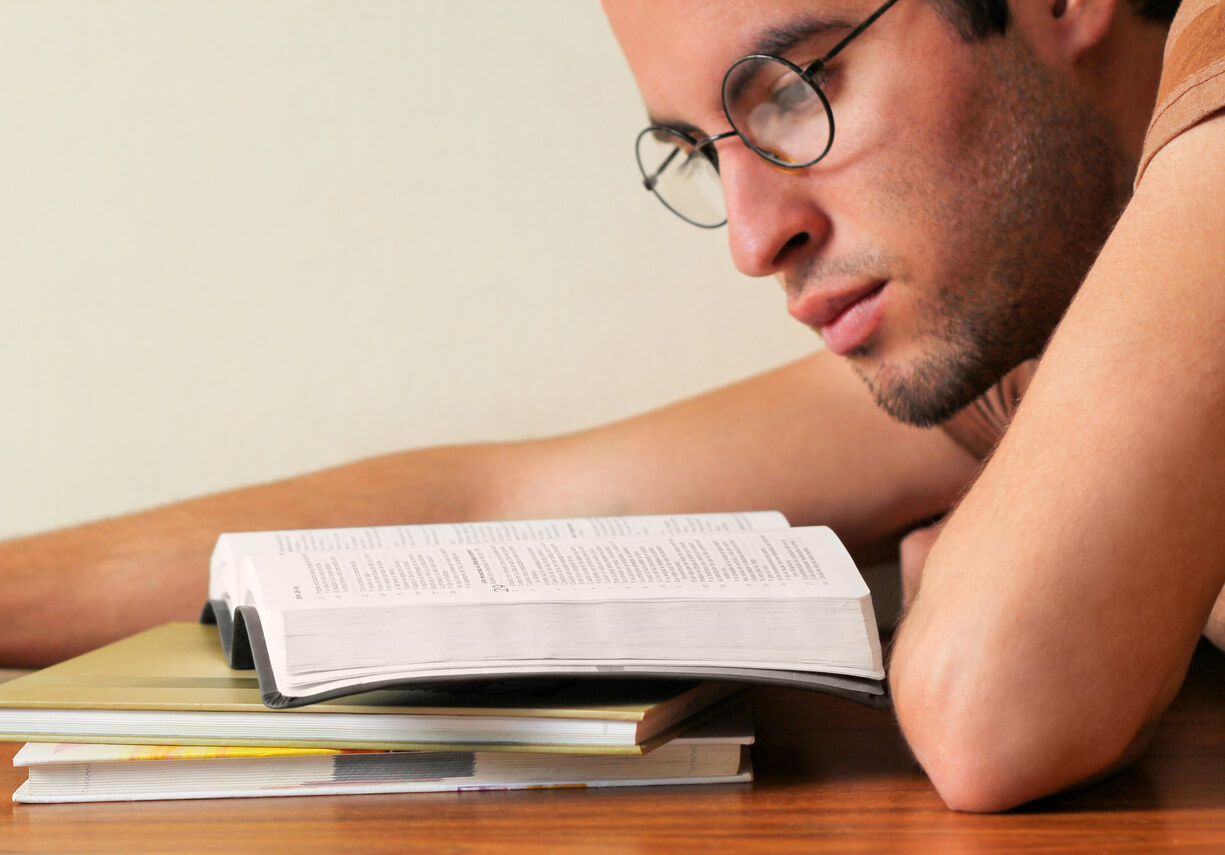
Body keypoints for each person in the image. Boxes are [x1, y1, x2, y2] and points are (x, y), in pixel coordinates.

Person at [3, 0, 1223, 812]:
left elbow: (992, 704)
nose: (753, 240)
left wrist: (968, 572)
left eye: (794, 89)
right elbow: (513, 504)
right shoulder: (1041, 305)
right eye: (703, 150)